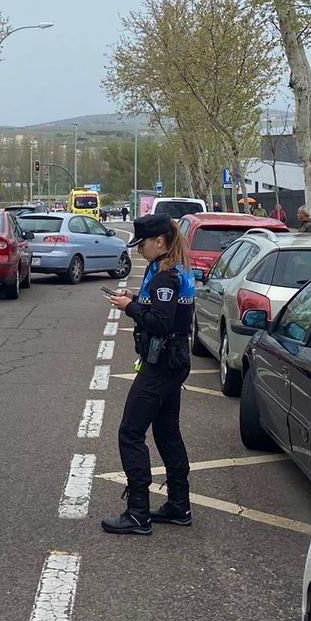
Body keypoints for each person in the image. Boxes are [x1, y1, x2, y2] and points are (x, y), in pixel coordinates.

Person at [102, 214, 194, 535]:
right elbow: (159, 309)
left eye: (142, 243)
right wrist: (135, 299)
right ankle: (179, 505)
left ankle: (138, 512)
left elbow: (160, 322)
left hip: (162, 364)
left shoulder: (166, 276)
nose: (139, 250)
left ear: (159, 241)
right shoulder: (171, 269)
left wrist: (130, 308)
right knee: (167, 432)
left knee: (130, 432)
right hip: (173, 361)